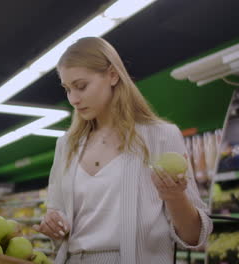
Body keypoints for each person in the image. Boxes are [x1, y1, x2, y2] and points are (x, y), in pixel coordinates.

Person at [32, 37, 212, 264]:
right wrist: (54, 223)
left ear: (113, 75)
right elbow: (56, 211)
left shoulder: (161, 136)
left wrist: (174, 196)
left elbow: (195, 236)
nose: (73, 99)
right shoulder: (66, 145)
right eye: (67, 89)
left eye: (81, 86)